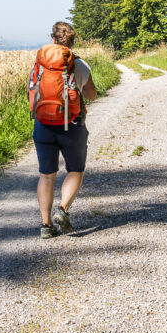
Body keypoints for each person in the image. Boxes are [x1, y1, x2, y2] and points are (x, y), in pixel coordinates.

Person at [33, 21, 98, 238]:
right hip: (72, 126)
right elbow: (91, 95)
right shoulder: (79, 65)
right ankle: (62, 210)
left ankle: (46, 226)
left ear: (52, 38)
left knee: (46, 175)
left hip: (43, 124)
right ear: (72, 41)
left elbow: (32, 93)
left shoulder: (40, 63)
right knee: (75, 170)